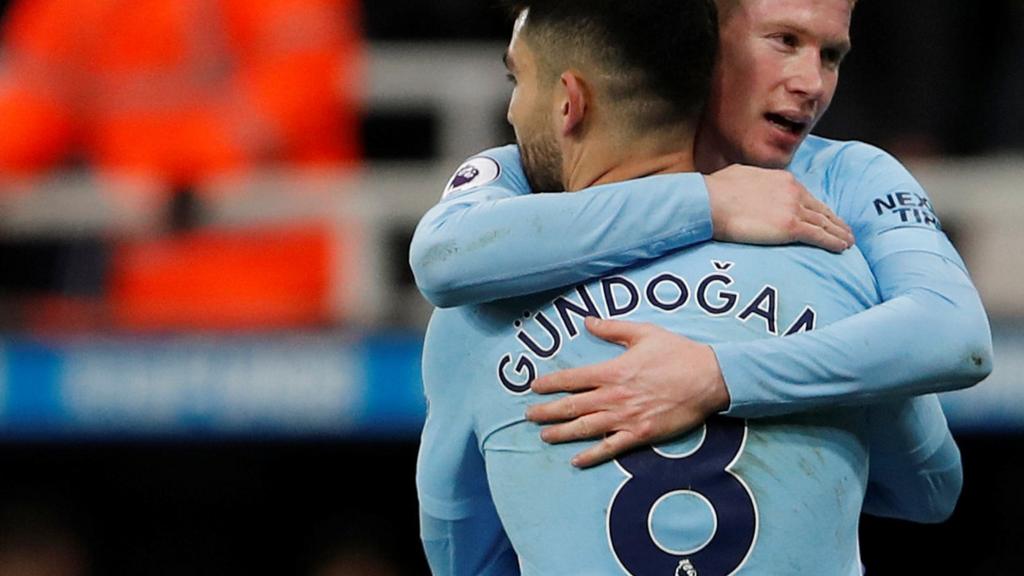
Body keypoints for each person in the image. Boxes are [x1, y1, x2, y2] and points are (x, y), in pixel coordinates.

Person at [417, 1, 962, 574]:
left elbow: (464, 557)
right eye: (784, 41)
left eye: (830, 55)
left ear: (567, 102)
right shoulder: (838, 263)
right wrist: (710, 205)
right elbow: (929, 488)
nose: (810, 83)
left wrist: (715, 378)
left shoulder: (478, 313)